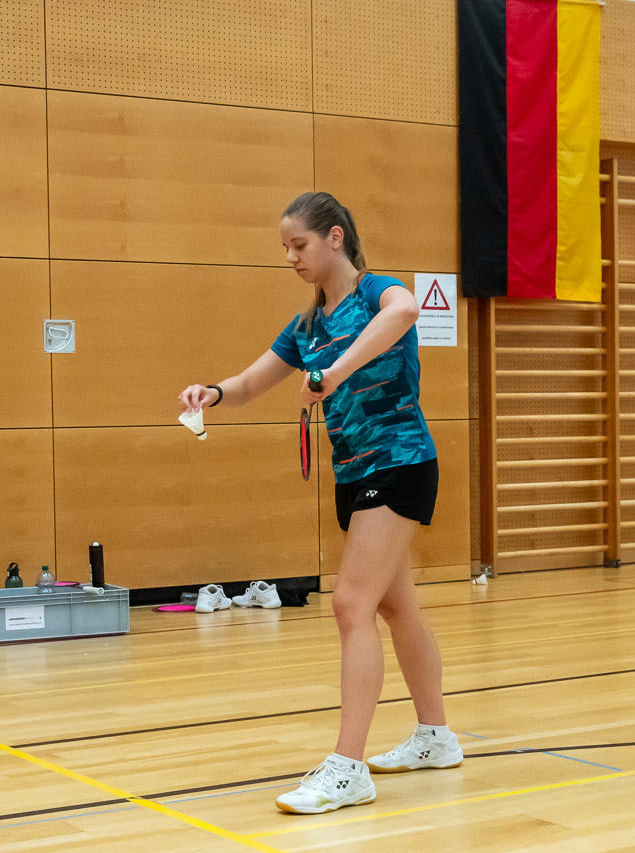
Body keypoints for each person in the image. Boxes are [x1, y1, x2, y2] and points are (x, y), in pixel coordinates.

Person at [179, 192, 463, 814]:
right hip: (353, 474)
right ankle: (436, 736)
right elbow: (251, 382)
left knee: (350, 604)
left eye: (299, 245)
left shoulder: (375, 293)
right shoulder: (306, 326)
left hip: (400, 463)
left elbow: (406, 310)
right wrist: (213, 393)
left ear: (335, 237)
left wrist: (335, 373)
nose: (291, 257)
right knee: (397, 607)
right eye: (285, 247)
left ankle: (348, 767)